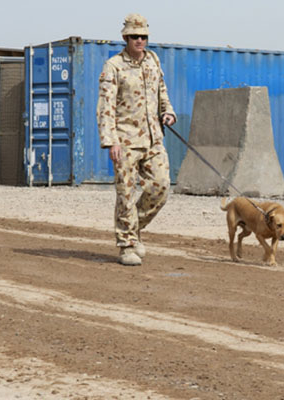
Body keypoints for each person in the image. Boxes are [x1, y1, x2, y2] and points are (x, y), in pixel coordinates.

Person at [96, 13, 176, 266]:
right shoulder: (113, 66)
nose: (139, 40)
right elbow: (105, 106)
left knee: (161, 186)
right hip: (126, 140)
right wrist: (111, 141)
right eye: (134, 36)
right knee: (126, 194)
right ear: (125, 38)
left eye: (143, 36)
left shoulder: (153, 60)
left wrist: (168, 111)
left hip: (153, 138)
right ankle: (127, 244)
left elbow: (162, 91)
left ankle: (132, 228)